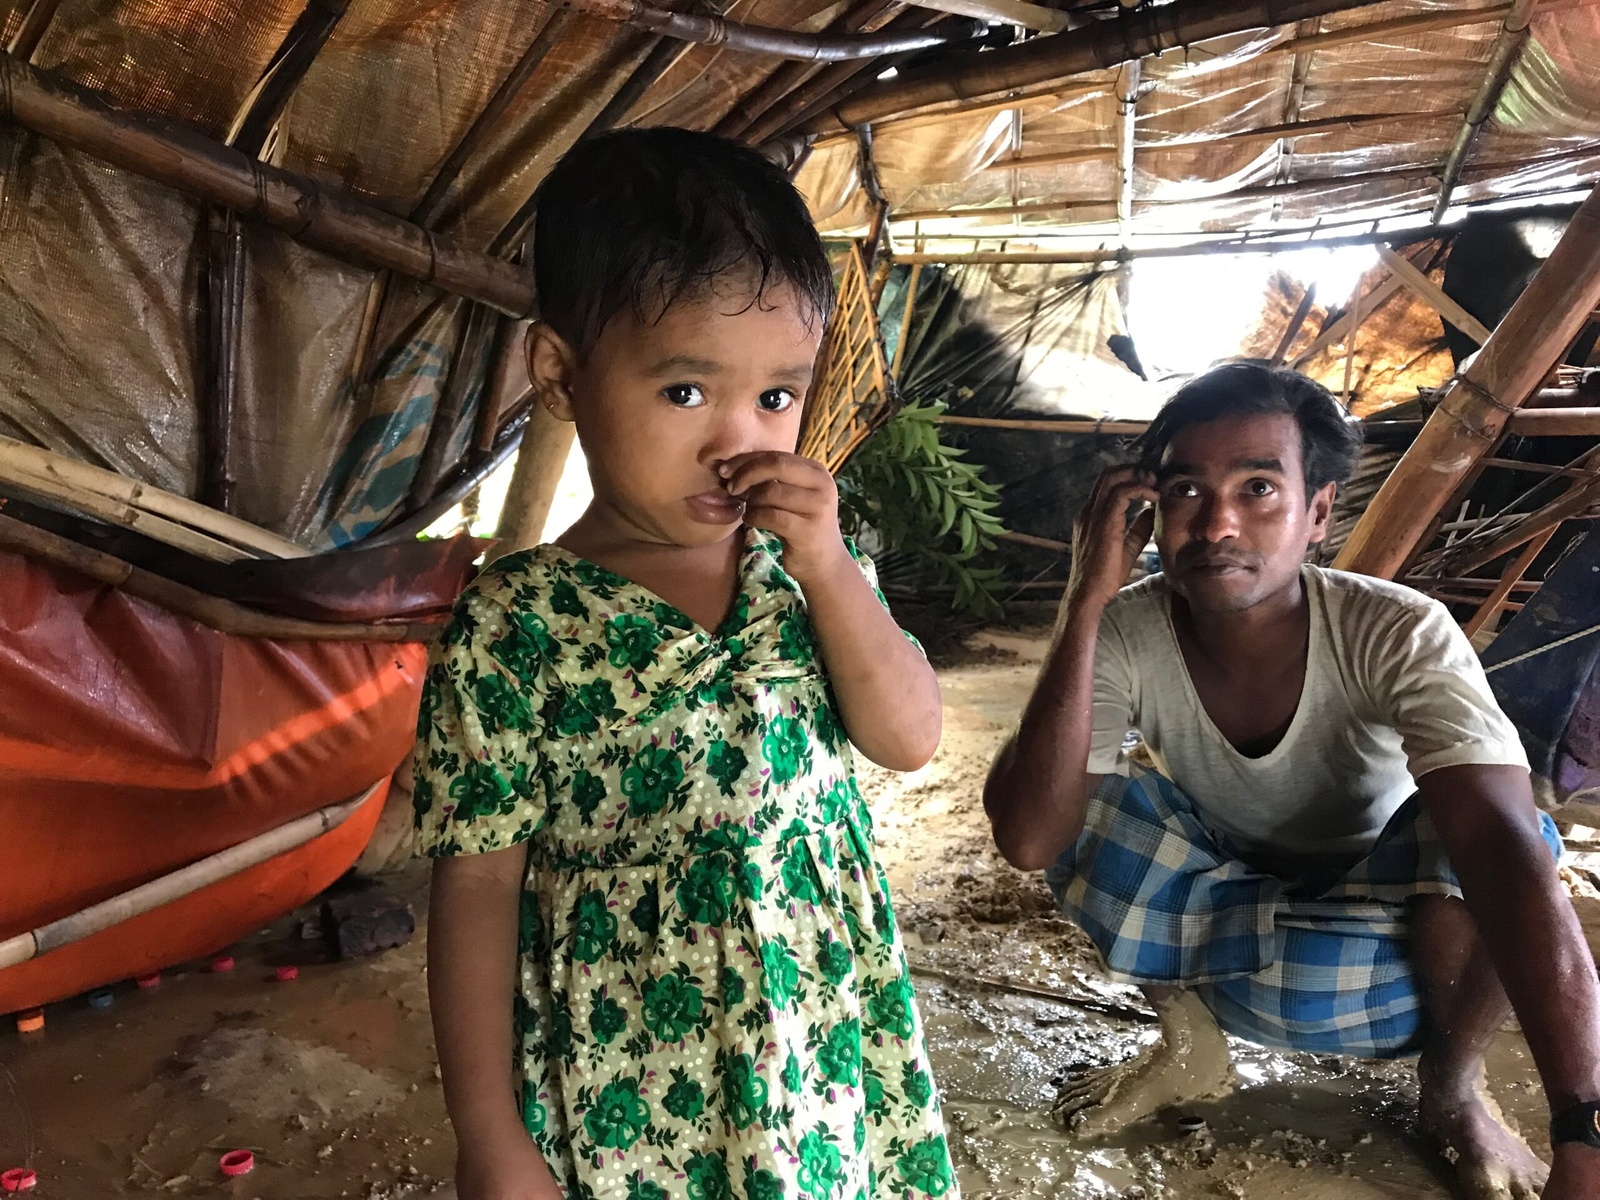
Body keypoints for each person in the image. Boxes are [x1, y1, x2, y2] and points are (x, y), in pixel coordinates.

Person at [414, 128, 958, 1200]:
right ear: (561, 373)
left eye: (776, 397)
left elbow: (909, 738)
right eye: (684, 393)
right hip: (629, 1077)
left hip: (815, 1048)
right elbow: (476, 882)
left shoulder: (808, 572)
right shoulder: (517, 624)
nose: (735, 440)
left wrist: (831, 570)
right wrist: (489, 1136)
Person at [983, 361, 1600, 1200]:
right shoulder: (1127, 629)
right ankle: (1192, 1045)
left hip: (1391, 940)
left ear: (1317, 514)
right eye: (1186, 491)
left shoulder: (1397, 630)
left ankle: (1452, 1089)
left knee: (1503, 835)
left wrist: (1582, 1125)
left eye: (1259, 489)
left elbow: (1504, 851)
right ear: (1151, 510)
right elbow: (1030, 837)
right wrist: (1084, 600)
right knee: (1079, 793)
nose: (1218, 523)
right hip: (1233, 892)